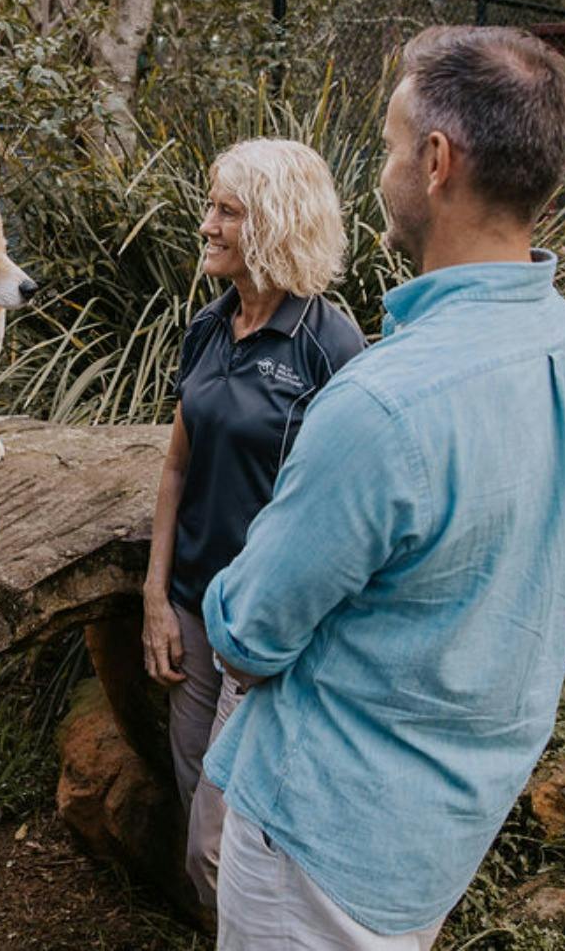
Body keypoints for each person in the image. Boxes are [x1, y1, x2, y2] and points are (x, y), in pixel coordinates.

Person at [201, 27, 565, 948]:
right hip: (444, 831)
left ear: (435, 162)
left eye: (389, 146)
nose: (381, 168)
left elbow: (246, 636)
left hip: (318, 843)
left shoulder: (381, 405)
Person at [141, 138, 366, 903]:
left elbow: (348, 507)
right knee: (192, 792)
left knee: (215, 843)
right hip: (193, 608)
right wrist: (156, 596)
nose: (207, 225)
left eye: (227, 212)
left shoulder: (330, 347)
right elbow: (177, 467)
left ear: (275, 223)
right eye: (211, 207)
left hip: (266, 625)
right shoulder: (208, 326)